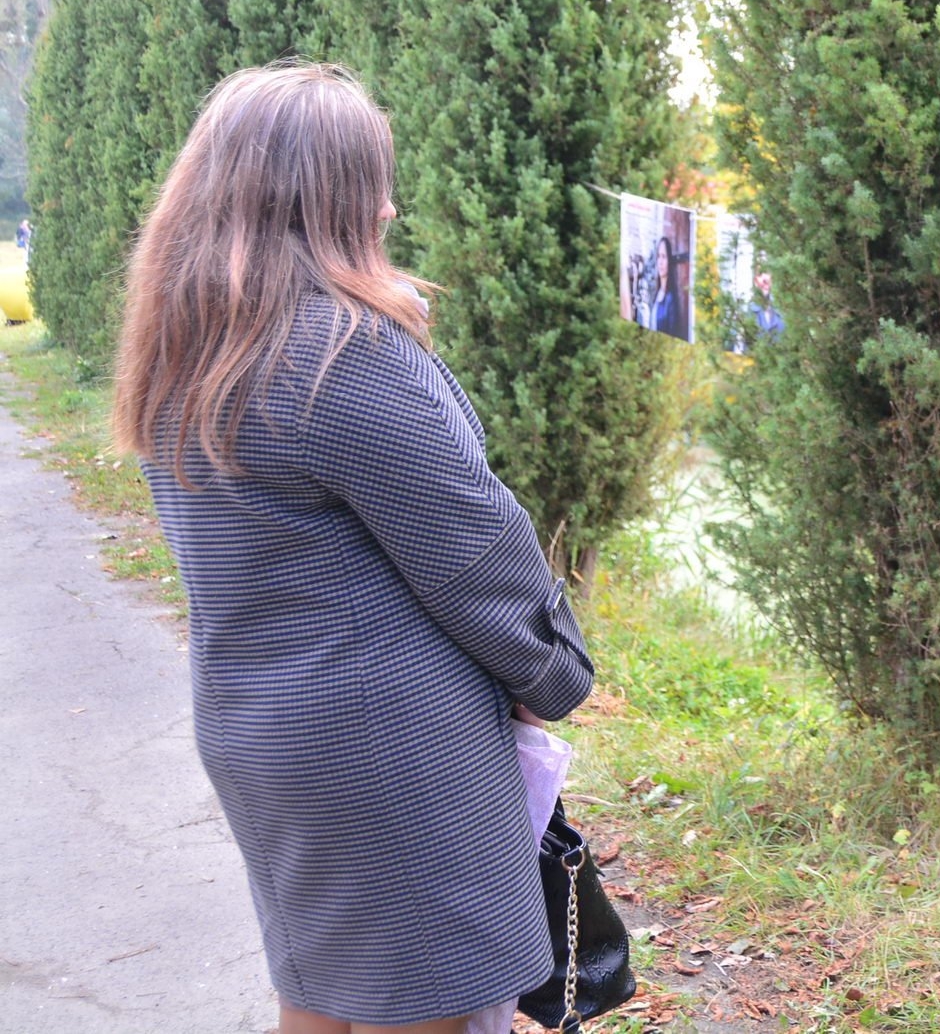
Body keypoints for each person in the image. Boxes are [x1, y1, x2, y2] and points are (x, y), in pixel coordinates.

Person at [112, 63, 594, 1034]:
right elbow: (476, 553)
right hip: (388, 763)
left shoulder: (186, 350)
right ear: (324, 197)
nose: (388, 207)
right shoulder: (342, 357)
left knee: (321, 995)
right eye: (373, 182)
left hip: (263, 737)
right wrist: (556, 675)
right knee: (425, 1005)